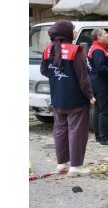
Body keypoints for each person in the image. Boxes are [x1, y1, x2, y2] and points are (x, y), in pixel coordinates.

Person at [40, 20, 96, 177]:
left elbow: (44, 71)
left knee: (60, 130)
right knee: (76, 131)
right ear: (66, 32)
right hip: (76, 99)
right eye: (73, 29)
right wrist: (90, 95)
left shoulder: (48, 50)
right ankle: (76, 166)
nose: (75, 32)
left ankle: (62, 164)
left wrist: (59, 78)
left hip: (57, 97)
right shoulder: (75, 50)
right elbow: (83, 78)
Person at [88, 28, 108, 146]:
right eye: (105, 33)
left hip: (96, 84)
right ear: (98, 36)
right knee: (104, 112)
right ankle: (104, 138)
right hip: (102, 85)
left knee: (98, 110)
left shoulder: (95, 48)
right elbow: (100, 68)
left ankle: (99, 136)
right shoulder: (98, 50)